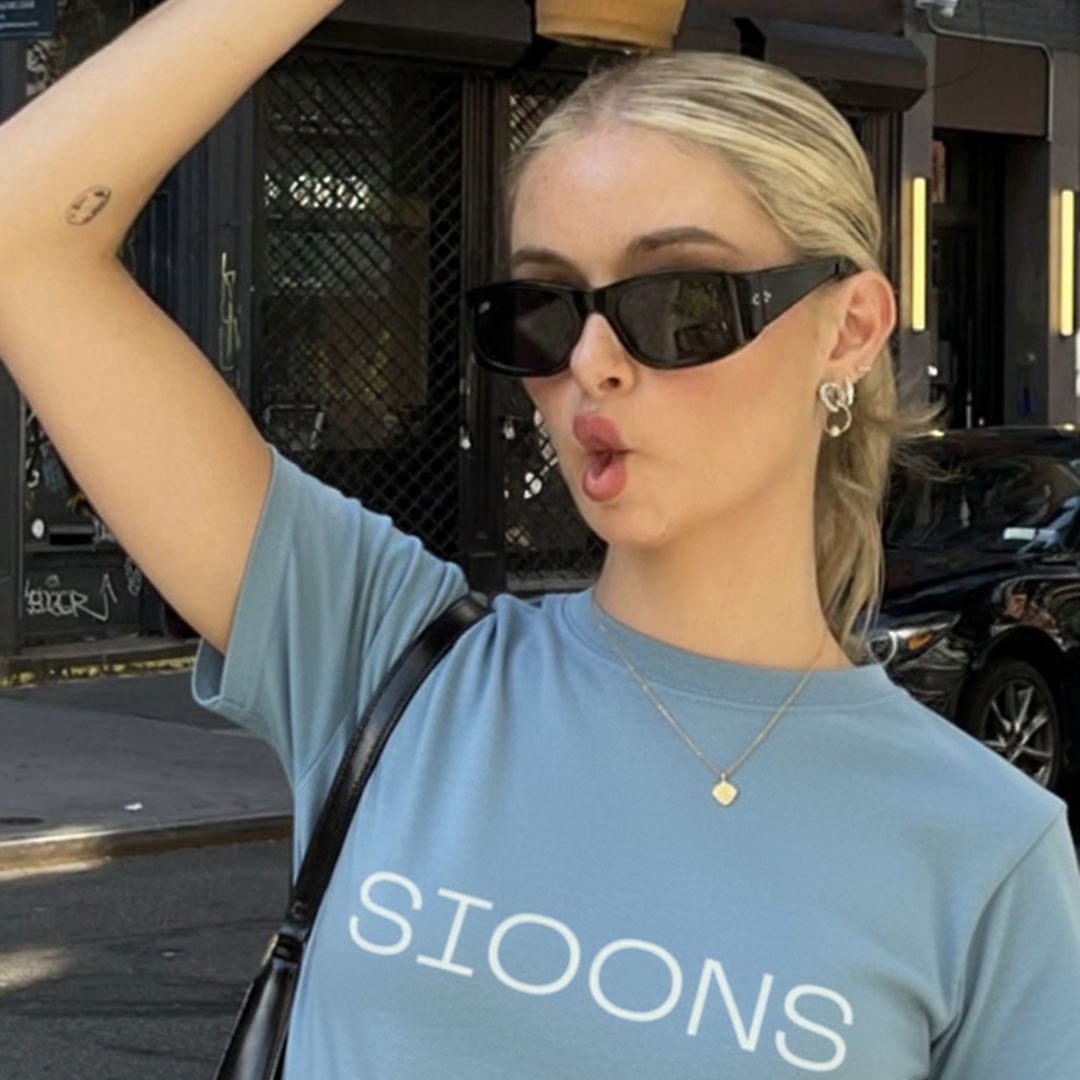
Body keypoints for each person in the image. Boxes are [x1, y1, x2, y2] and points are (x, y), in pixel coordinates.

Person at [0, 2, 1078, 1077]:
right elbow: (24, 227)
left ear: (849, 329)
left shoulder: (988, 853)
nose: (593, 364)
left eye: (680, 302)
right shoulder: (387, 655)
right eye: (545, 311)